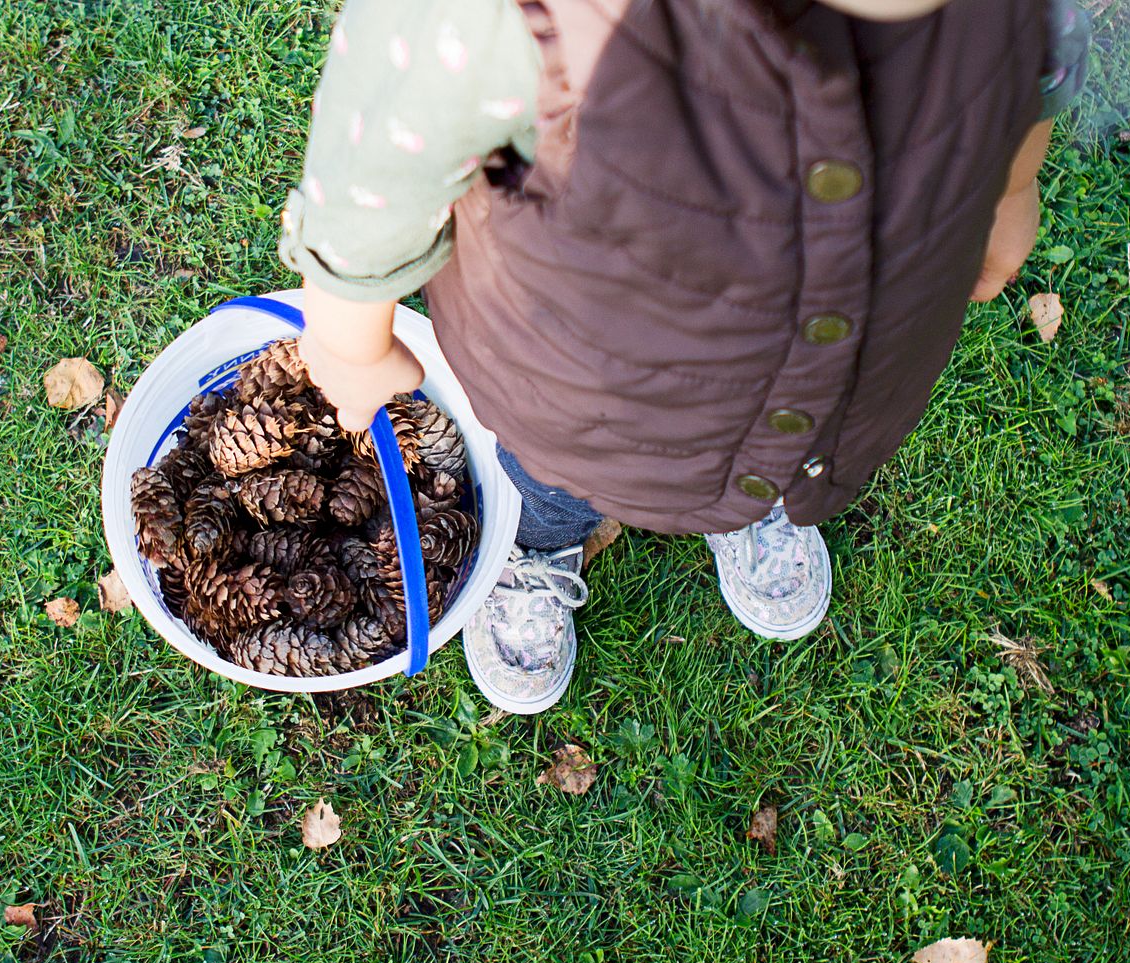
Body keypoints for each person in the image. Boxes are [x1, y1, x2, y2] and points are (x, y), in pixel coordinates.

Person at [281, 0, 1088, 713]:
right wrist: (350, 341)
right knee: (551, 473)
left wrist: (1011, 189)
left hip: (824, 367)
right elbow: (377, 161)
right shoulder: (516, 18)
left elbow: (1030, 70)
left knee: (786, 442)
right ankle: (536, 539)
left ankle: (752, 499)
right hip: (572, 380)